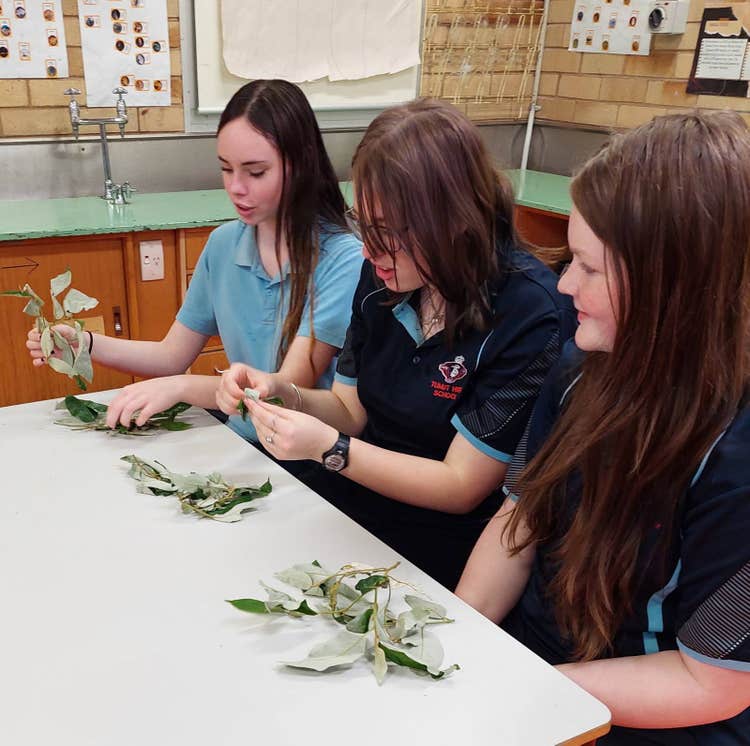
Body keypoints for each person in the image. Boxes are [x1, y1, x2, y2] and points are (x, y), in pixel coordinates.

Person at [456, 111, 750, 743]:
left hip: (645, 717)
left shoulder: (736, 458)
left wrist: (524, 685)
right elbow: (520, 515)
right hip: (541, 669)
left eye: (590, 269)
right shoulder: (581, 368)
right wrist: (461, 637)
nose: (564, 286)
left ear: (674, 286)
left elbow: (712, 682)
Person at [216, 98, 576, 589]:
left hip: (439, 542)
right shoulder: (383, 275)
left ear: (452, 221)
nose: (369, 250)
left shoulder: (529, 314)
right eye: (364, 224)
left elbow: (460, 486)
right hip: (351, 501)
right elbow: (351, 407)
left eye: (386, 232)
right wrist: (285, 393)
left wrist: (332, 450)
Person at [26, 80, 363, 440]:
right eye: (226, 168)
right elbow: (171, 355)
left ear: (300, 166)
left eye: (256, 172)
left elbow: (277, 395)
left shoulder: (343, 258)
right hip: (241, 443)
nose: (236, 187)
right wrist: (87, 343)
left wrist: (182, 387)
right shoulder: (222, 245)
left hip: (304, 456)